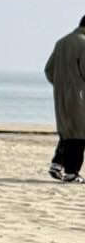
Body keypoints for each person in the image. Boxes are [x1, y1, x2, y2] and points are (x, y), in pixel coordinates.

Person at [45, 13, 85, 182]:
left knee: (68, 132)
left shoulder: (61, 42)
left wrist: (62, 86)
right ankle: (71, 173)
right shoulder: (83, 43)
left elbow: (49, 70)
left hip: (61, 95)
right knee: (78, 134)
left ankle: (57, 164)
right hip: (80, 96)